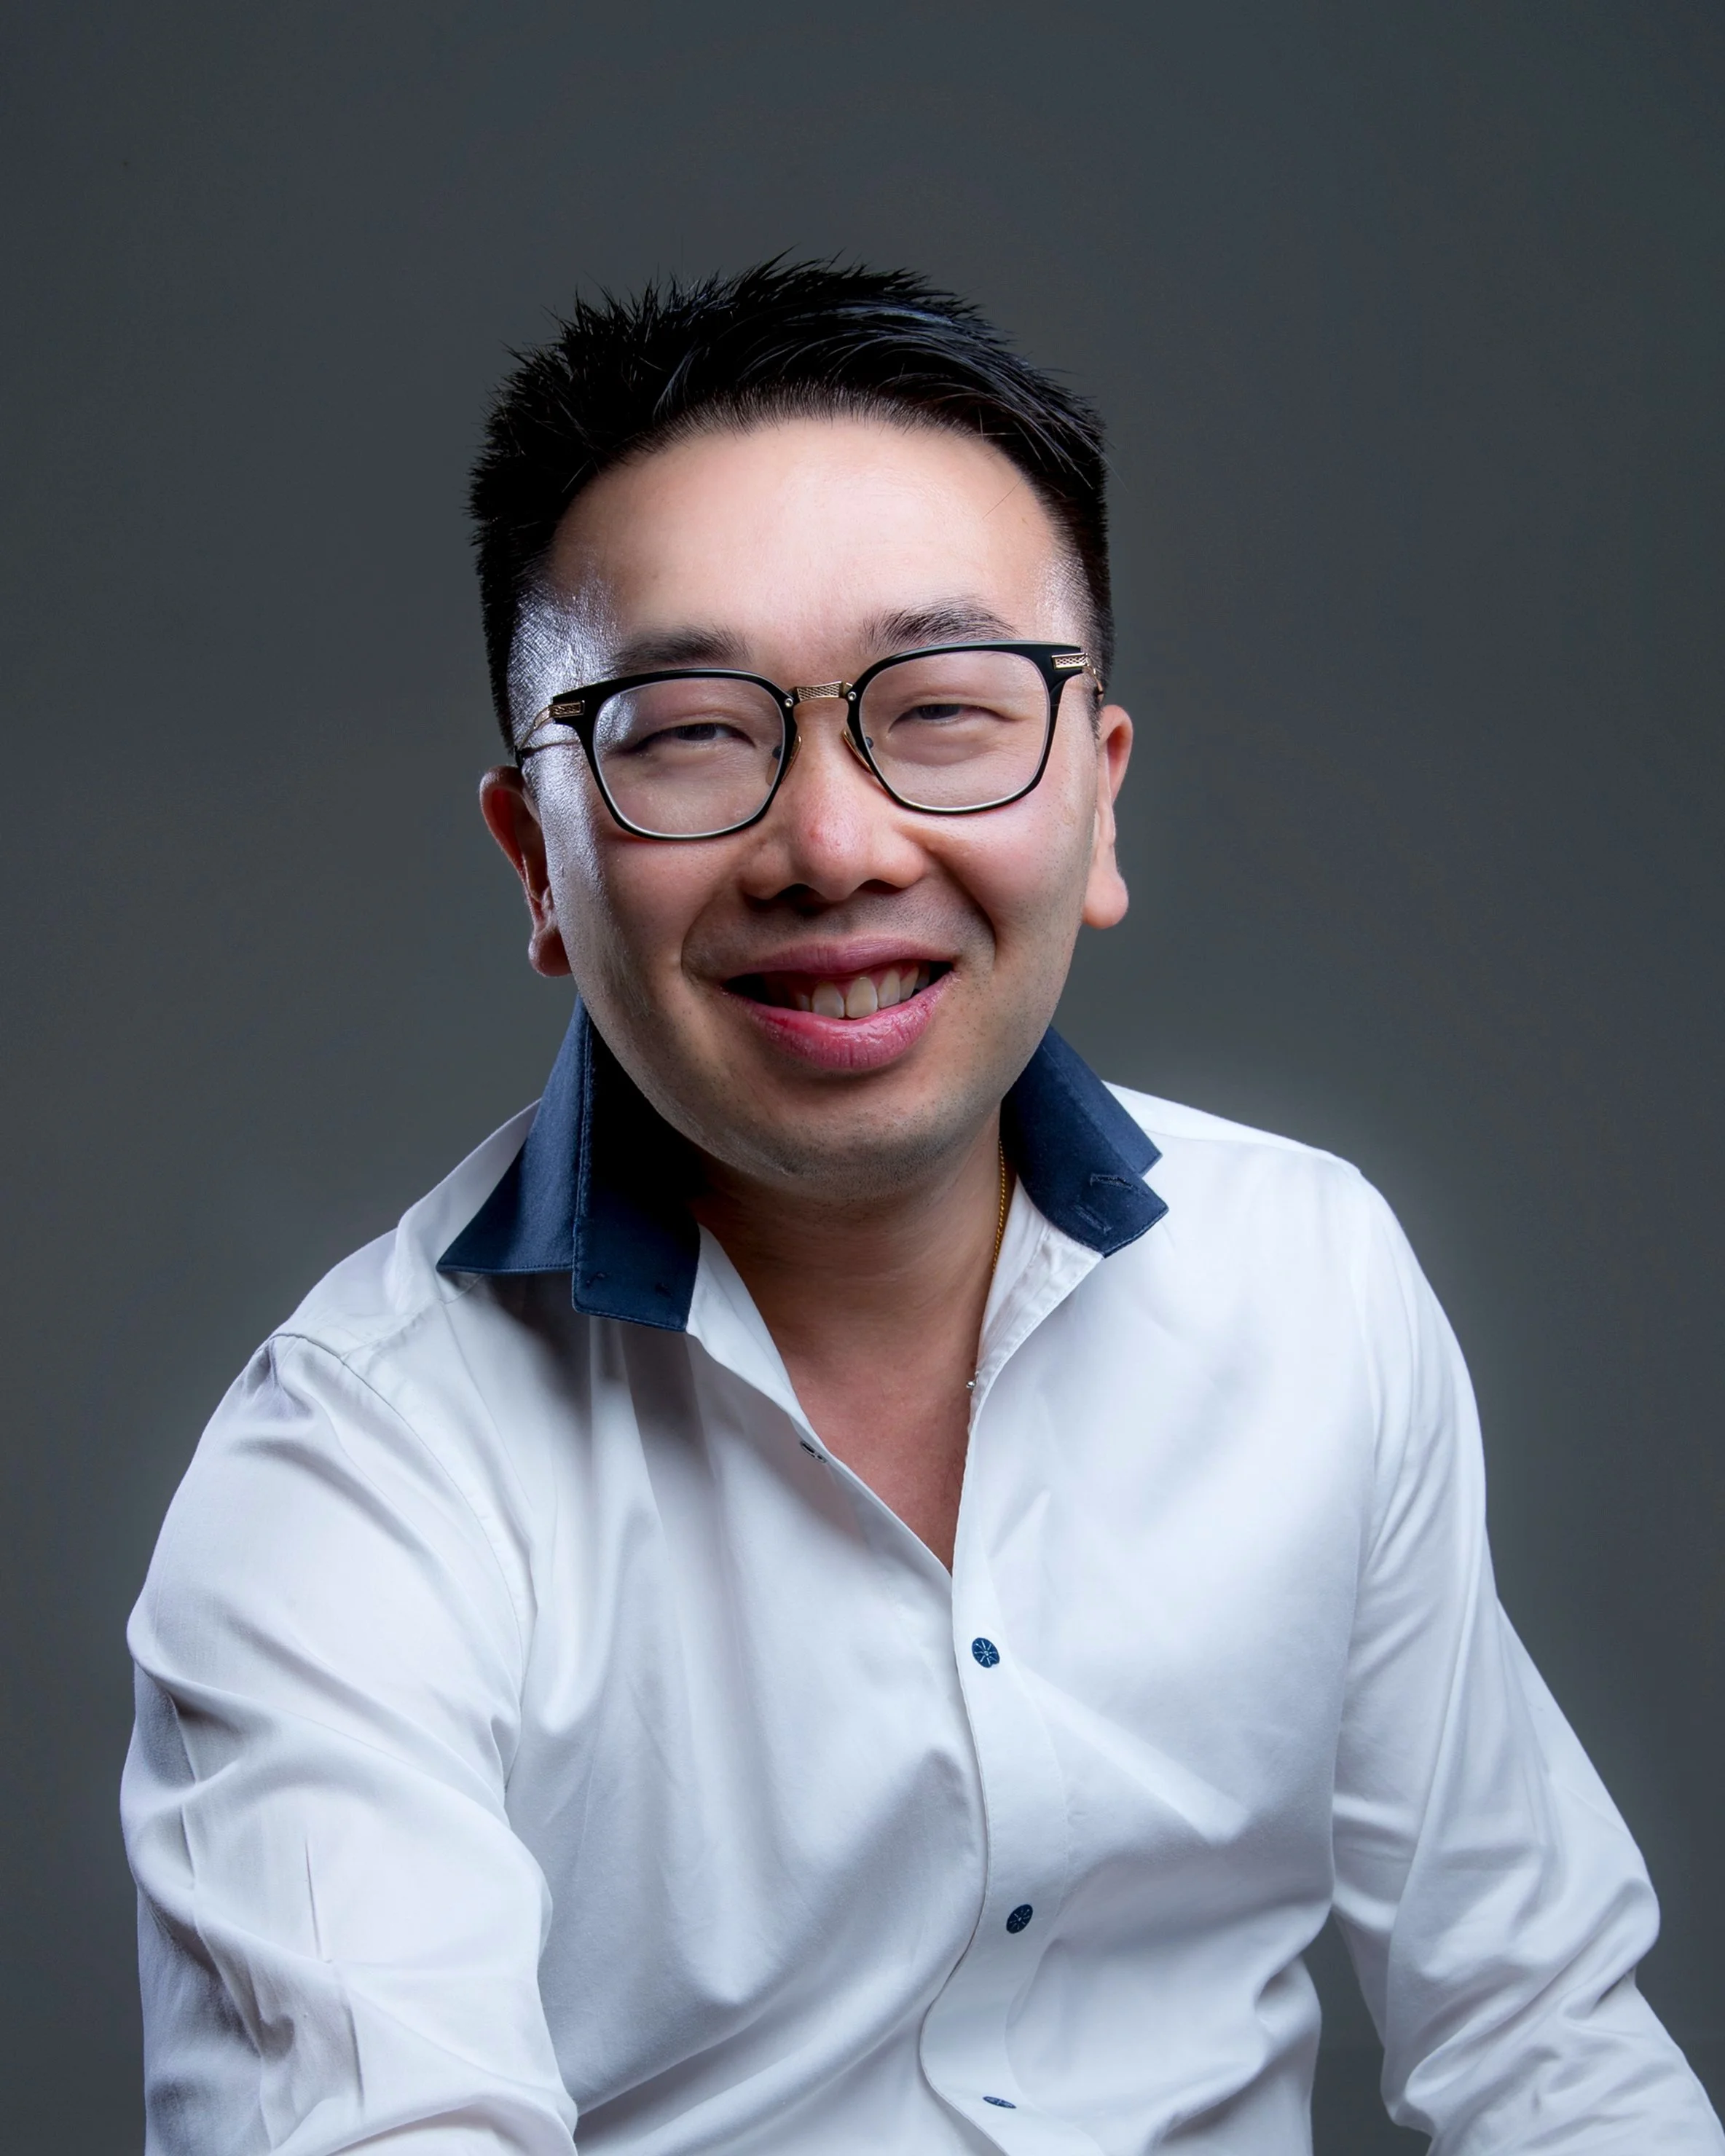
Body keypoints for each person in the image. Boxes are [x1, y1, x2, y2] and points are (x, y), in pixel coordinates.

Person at [122, 261, 1721, 2156]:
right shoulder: (347, 1492)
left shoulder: (1311, 1281)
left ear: (1100, 800)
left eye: (948, 709)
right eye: (690, 729)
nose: (836, 845)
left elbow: (1546, 2044)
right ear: (538, 864)